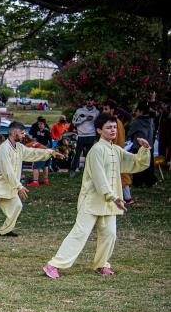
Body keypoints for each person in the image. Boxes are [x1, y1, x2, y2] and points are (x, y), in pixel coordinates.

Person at [43, 114, 151, 278]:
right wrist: (113, 197)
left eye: (114, 127)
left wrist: (144, 149)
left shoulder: (116, 150)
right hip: (92, 200)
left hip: (108, 202)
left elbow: (135, 162)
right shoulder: (96, 150)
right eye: (108, 127)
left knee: (110, 234)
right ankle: (53, 264)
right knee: (80, 233)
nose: (113, 130)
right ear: (100, 130)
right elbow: (99, 178)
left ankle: (102, 264)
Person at [0, 122, 64, 245]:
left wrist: (50, 152)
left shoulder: (19, 147)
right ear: (14, 133)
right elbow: (7, 171)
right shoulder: (4, 149)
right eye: (22, 133)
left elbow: (32, 152)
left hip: (8, 187)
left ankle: (5, 230)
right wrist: (19, 187)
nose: (24, 135)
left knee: (17, 206)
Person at [129, 101, 157, 189]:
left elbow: (130, 133)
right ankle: (150, 181)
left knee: (138, 165)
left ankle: (138, 182)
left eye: (136, 111)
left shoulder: (137, 122)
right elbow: (153, 131)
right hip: (149, 146)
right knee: (148, 165)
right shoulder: (151, 120)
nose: (135, 112)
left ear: (140, 111)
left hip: (138, 147)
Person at [70, 96, 99, 177]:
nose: (89, 102)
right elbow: (74, 122)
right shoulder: (79, 111)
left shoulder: (96, 112)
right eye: (88, 100)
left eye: (91, 100)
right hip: (81, 135)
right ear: (86, 101)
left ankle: (89, 172)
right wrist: (85, 118)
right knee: (77, 154)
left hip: (91, 135)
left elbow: (98, 124)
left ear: (93, 101)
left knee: (89, 155)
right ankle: (73, 170)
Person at [27, 116, 52, 187]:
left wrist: (50, 148)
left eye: (41, 124)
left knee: (36, 166)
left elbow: (50, 140)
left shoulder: (46, 131)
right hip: (45, 150)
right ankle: (45, 180)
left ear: (44, 124)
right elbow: (33, 136)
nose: (39, 125)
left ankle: (35, 182)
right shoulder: (38, 131)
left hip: (43, 150)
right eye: (38, 124)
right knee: (45, 166)